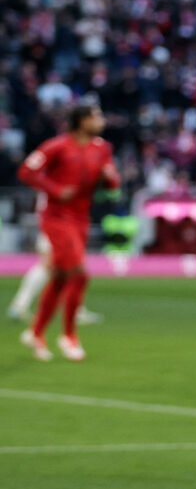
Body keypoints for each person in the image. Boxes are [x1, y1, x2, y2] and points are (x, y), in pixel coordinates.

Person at [16, 104, 121, 362]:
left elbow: (113, 182)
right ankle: (69, 336)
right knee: (79, 273)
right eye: (97, 116)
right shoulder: (57, 146)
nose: (102, 120)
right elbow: (27, 171)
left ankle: (37, 332)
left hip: (81, 218)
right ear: (82, 121)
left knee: (61, 277)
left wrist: (110, 177)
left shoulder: (102, 148)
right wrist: (54, 189)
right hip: (57, 218)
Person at [7, 227, 103, 325]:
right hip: (58, 223)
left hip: (59, 223)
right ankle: (21, 306)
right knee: (53, 265)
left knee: (59, 266)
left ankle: (20, 305)